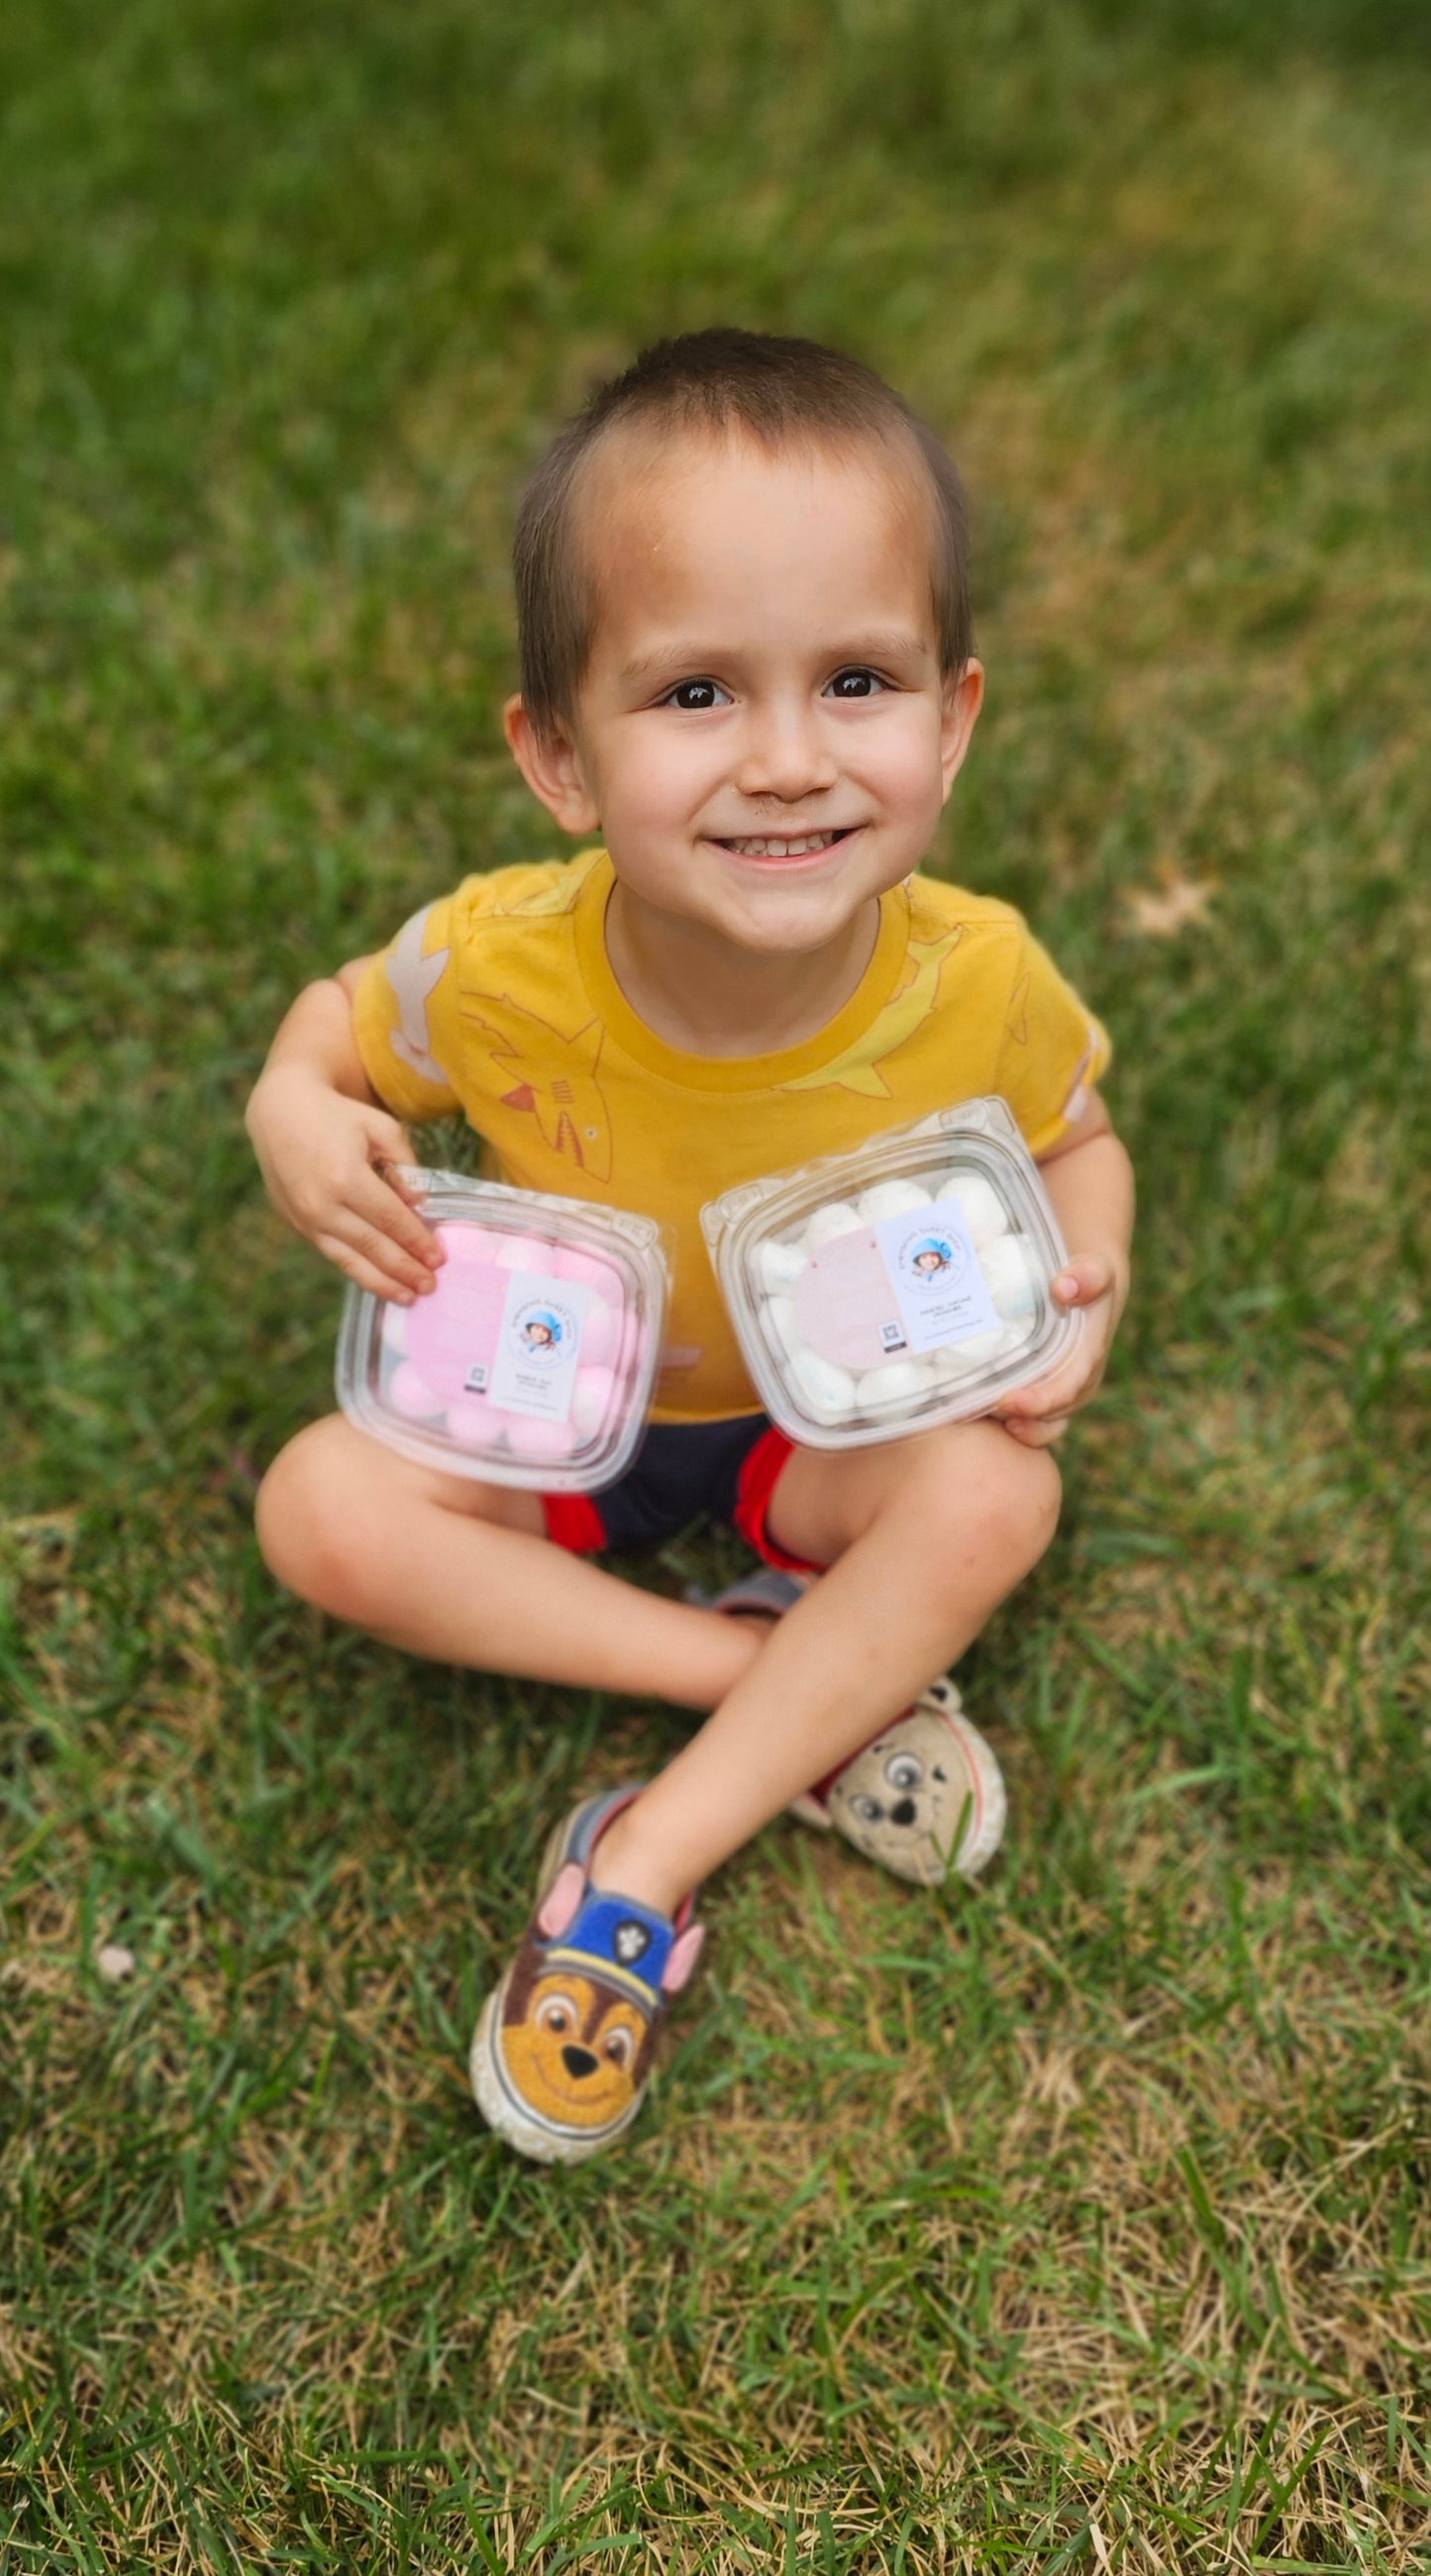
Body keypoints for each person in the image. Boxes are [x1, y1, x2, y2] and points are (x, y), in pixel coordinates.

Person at [246, 329, 1134, 2164]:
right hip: (556, 1409)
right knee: (317, 1511)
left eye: (859, 679)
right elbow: (340, 1030)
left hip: (827, 1433)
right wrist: (291, 1102)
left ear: (952, 720)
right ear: (558, 755)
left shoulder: (977, 981)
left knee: (994, 1501)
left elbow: (1076, 1140)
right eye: (696, 695)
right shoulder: (495, 965)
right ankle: (788, 1689)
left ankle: (641, 1858)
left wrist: (1083, 1291)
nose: (791, 760)